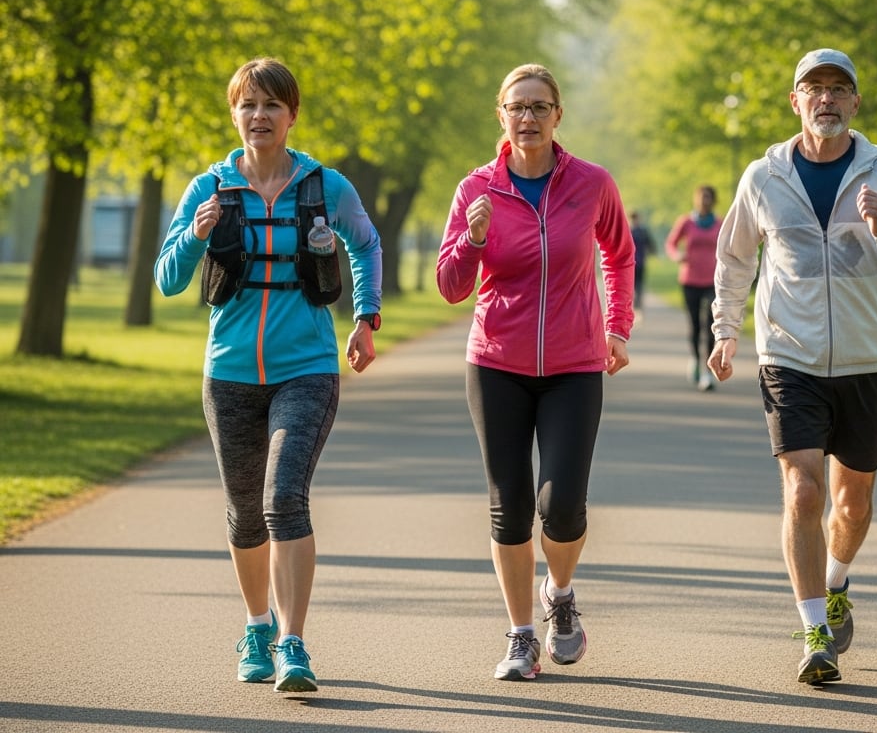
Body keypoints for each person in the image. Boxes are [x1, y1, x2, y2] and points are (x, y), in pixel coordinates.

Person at [707, 49, 877, 685]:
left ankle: (835, 582)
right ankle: (815, 633)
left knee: (853, 504)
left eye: (839, 89)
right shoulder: (763, 177)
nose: (827, 99)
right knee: (804, 490)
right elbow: (734, 259)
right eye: (814, 88)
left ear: (855, 102)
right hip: (789, 354)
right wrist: (726, 330)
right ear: (796, 101)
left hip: (867, 359)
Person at [154, 57, 383, 694]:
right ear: (234, 114)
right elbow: (167, 279)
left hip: (306, 369)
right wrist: (196, 235)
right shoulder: (208, 188)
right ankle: (258, 625)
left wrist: (365, 317)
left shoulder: (326, 186)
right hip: (228, 373)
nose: (260, 116)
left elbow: (366, 244)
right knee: (244, 512)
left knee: (283, 498)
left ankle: (292, 643)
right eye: (248, 104)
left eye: (272, 105)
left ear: (292, 115)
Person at [437, 63, 634, 682]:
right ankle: (521, 634)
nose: (527, 117)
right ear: (501, 115)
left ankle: (561, 592)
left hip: (575, 364)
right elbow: (450, 286)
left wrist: (618, 326)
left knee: (563, 506)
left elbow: (619, 254)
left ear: (557, 115)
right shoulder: (476, 188)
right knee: (510, 507)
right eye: (517, 107)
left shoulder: (592, 183)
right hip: (497, 363)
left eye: (539, 107)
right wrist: (472, 241)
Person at [665, 185, 722, 391]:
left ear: (713, 200)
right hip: (689, 280)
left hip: (713, 281)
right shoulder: (686, 222)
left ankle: (708, 370)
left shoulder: (720, 223)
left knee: (711, 325)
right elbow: (671, 244)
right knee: (695, 325)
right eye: (702, 197)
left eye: (708, 197)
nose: (705, 200)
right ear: (696, 199)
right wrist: (677, 255)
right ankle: (696, 360)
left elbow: (728, 247)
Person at [629, 210, 656, 314]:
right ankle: (633, 305)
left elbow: (651, 244)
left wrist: (651, 251)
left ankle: (638, 306)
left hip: (640, 262)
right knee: (632, 285)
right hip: (630, 263)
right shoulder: (629, 231)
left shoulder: (643, 231)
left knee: (639, 285)